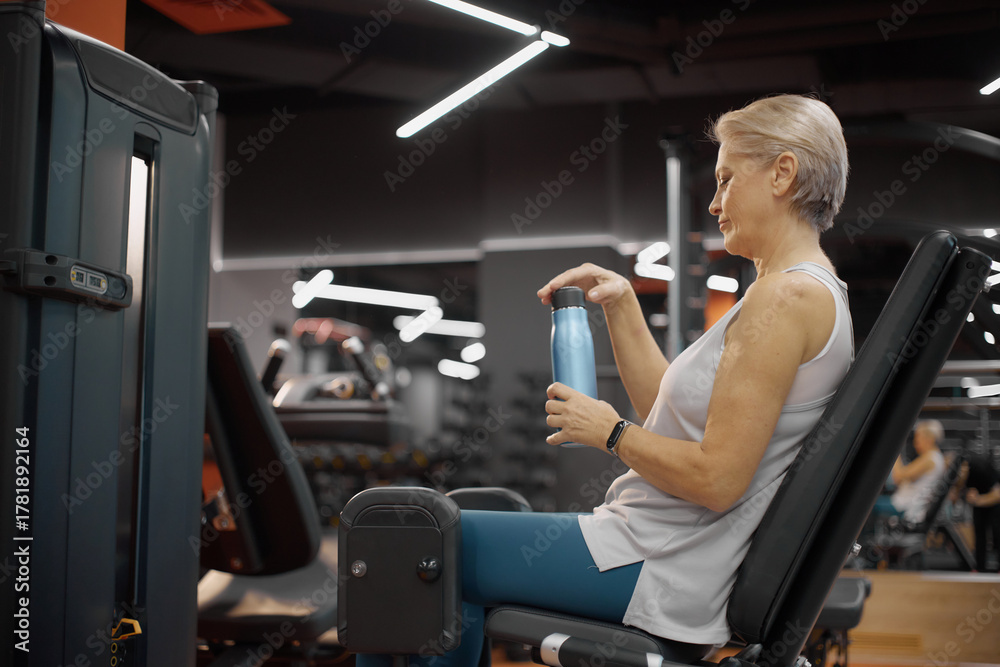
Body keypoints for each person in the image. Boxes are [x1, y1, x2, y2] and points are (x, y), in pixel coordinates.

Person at [357, 94, 852, 667]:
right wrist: (622, 305)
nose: (714, 202)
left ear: (782, 173)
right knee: (432, 547)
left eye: (726, 179)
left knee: (407, 542)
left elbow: (718, 479)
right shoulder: (799, 292)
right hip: (652, 547)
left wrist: (610, 433)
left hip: (660, 564)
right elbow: (676, 418)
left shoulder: (786, 297)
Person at [875, 420, 947, 525]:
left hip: (907, 507)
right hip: (911, 504)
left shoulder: (930, 459)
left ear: (929, 439)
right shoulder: (937, 457)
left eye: (918, 437)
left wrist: (895, 449)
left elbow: (898, 477)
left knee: (866, 506)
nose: (915, 442)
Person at [958, 452, 1000, 571]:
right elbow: (960, 492)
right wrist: (968, 495)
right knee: (979, 534)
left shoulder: (981, 469)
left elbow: (997, 495)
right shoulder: (962, 474)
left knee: (997, 533)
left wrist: (978, 500)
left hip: (994, 502)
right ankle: (979, 567)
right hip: (980, 502)